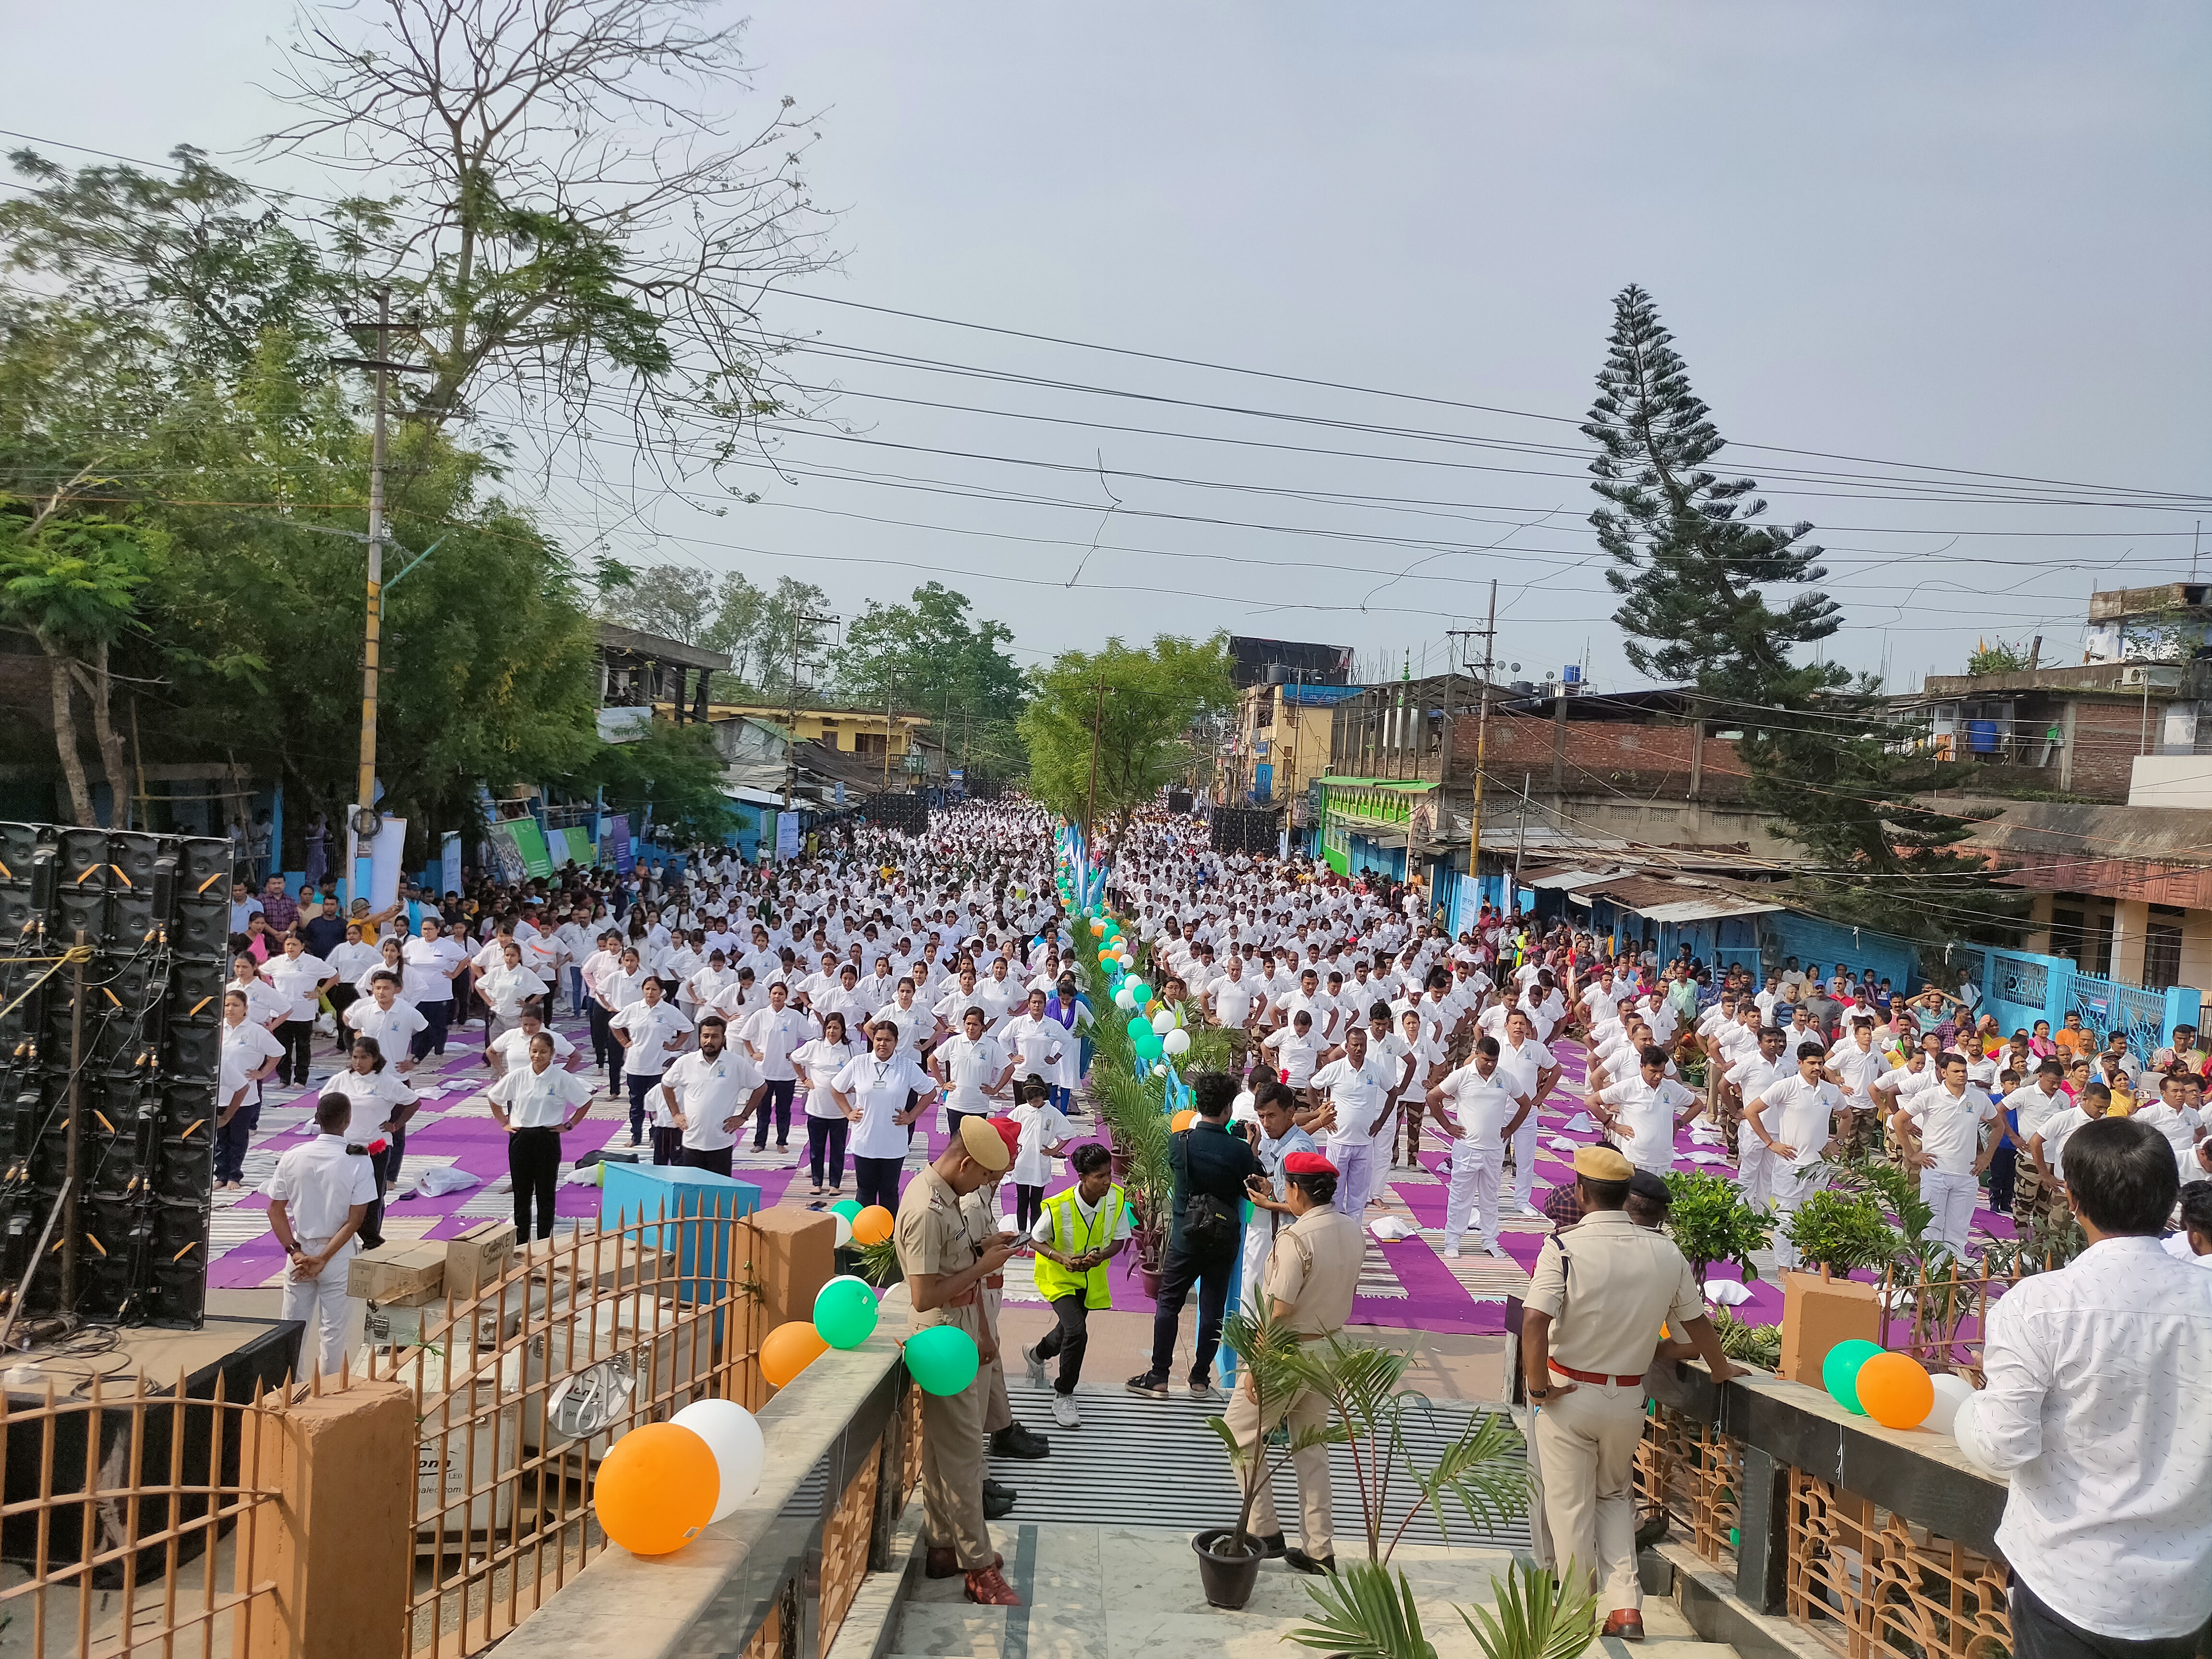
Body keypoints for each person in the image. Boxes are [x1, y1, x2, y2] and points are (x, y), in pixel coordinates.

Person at [1977, 1118, 2212, 1659]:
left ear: (2075, 1201)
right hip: (2184, 1589)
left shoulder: (2040, 1304)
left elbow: (2003, 1445)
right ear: (2169, 1201)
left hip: (2069, 1577)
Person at [1522, 1145, 1744, 1640]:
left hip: (1568, 1390)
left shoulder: (1563, 1247)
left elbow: (1535, 1320)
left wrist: (1539, 1387)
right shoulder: (1665, 1252)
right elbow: (1696, 1327)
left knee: (1570, 1506)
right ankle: (1626, 1607)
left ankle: (1577, 1611)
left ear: (1582, 1193)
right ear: (1625, 1197)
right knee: (1616, 1496)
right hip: (1626, 1397)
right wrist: (1721, 1368)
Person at [894, 1117, 1023, 1607]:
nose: (985, 1187)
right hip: (942, 1334)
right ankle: (978, 1566)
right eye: (985, 1177)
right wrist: (980, 1267)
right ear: (966, 1163)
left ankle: (944, 1545)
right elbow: (924, 1294)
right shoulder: (927, 1208)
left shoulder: (944, 1195)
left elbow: (947, 1261)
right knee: (967, 1457)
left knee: (943, 1452)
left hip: (957, 1333)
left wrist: (979, 1249)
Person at [1218, 1149, 1365, 1575]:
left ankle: (1265, 1529)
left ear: (1296, 1190)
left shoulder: (1297, 1238)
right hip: (1329, 1349)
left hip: (1287, 1350)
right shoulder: (1352, 1229)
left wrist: (1257, 1364)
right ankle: (1320, 1549)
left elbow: (1279, 1310)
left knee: (1239, 1434)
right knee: (1311, 1447)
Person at [1127, 1070, 1262, 1402]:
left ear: (1198, 1105)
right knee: (1214, 1307)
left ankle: (1159, 1375)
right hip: (1224, 1238)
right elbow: (1254, 1187)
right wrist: (1250, 1148)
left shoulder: (1179, 1142)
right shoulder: (1239, 1151)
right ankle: (1200, 1378)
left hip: (1186, 1237)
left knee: (1169, 1303)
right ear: (1229, 1108)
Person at [266, 1093, 378, 1379]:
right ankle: (329, 1397)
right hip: (336, 1253)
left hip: (300, 1252)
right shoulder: (358, 1159)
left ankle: (291, 1392)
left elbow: (275, 1210)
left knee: (291, 1331)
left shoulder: (293, 1156)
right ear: (348, 1120)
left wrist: (296, 1252)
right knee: (334, 1334)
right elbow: (356, 1219)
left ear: (317, 1119)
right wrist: (323, 1258)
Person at [1022, 1142, 1130, 1428]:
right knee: (1077, 1332)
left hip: (1090, 1277)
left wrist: (1101, 1257)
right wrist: (1061, 1258)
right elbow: (1034, 1239)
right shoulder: (1058, 1207)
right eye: (1100, 1177)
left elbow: (1119, 1240)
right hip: (1059, 1276)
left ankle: (1036, 1354)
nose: (1108, 1181)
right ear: (1082, 1177)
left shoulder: (1116, 1199)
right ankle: (1064, 1394)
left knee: (1067, 1332)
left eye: (1109, 1174)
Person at [1425, 1035, 1536, 1259]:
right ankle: (1452, 1241)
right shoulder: (1462, 1076)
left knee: (1491, 1196)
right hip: (1467, 1148)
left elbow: (1525, 1103)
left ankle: (1490, 1240)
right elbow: (1432, 1097)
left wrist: (1511, 1129)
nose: (1490, 1065)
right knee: (1460, 1196)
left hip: (1494, 1149)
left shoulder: (1505, 1078)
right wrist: (1448, 1126)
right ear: (1477, 1054)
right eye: (1486, 1060)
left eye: (1494, 1060)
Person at [485, 1030, 596, 1239]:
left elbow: (585, 1101)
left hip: (548, 1137)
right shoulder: (517, 1076)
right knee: (522, 1192)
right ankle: (521, 1240)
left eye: (543, 1052)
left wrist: (570, 1125)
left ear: (553, 1053)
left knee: (546, 1192)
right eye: (534, 1051)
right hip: (521, 1137)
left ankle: (544, 1240)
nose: (538, 1056)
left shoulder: (562, 1077)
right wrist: (503, 1123)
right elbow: (494, 1098)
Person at [1889, 1053, 1998, 1258]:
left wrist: (1988, 1157)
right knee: (1932, 1228)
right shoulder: (1929, 1096)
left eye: (1964, 1071)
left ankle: (1953, 1271)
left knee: (1959, 1231)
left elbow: (1998, 1125)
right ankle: (1932, 1271)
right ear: (1943, 1072)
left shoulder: (1978, 1097)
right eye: (1956, 1071)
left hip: (1967, 1175)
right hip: (1936, 1172)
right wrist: (1912, 1154)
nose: (1962, 1075)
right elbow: (1898, 1121)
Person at [833, 1020, 940, 1212]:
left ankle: (889, 1237)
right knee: (865, 1191)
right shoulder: (859, 1063)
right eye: (879, 1039)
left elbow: (930, 1092)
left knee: (889, 1191)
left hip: (893, 1142)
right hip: (865, 1139)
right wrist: (848, 1112)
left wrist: (911, 1116)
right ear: (873, 1040)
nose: (883, 1044)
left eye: (888, 1040)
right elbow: (836, 1088)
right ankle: (863, 1235)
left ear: (896, 1042)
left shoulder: (907, 1066)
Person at [608, 976, 690, 1147]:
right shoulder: (634, 1009)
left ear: (661, 992)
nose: (650, 993)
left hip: (659, 1066)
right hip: (636, 1064)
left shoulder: (669, 1011)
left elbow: (688, 1028)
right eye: (647, 989)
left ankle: (655, 1136)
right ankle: (636, 1136)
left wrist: (675, 1046)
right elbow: (614, 1024)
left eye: (654, 990)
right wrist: (624, 1042)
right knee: (636, 1104)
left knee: (658, 1104)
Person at [216, 988, 284, 1192]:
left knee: (238, 1136)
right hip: (219, 1093)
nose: (230, 1009)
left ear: (246, 1009)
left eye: (236, 1005)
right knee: (221, 1136)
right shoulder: (218, 1029)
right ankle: (221, 1174)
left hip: (244, 1094)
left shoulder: (254, 1031)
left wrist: (262, 1073)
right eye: (227, 1005)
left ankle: (234, 1175)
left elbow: (278, 1052)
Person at [738, 980, 811, 1155]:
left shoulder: (795, 1017)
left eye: (781, 994)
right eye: (774, 994)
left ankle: (781, 1142)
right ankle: (760, 1142)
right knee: (763, 1110)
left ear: (787, 997)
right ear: (769, 995)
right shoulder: (760, 1015)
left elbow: (811, 1037)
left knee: (783, 1111)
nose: (777, 997)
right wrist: (753, 1054)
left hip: (786, 1072)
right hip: (764, 1071)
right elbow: (745, 1036)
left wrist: (796, 1054)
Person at [793, 1012, 859, 1197]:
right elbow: (795, 1059)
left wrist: (854, 1088)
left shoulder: (852, 1049)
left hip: (840, 1111)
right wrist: (804, 1079)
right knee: (816, 1149)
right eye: (829, 1027)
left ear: (843, 1030)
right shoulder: (814, 1046)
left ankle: (835, 1184)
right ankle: (817, 1183)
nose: (832, 1031)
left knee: (838, 1149)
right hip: (817, 1108)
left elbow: (864, 1066)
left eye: (836, 1028)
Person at [263, 932, 336, 1089]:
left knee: (303, 1046)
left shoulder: (313, 962)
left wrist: (320, 992)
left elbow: (335, 976)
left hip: (304, 1012)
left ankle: (301, 1079)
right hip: (281, 1013)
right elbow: (260, 972)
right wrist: (269, 991)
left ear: (303, 946)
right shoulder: (277, 962)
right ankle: (284, 1078)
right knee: (283, 1046)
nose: (290, 948)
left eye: (294, 945)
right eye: (288, 944)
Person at [1007, 1077, 1073, 1234]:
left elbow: (1068, 1134)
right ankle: (1022, 1234)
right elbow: (1007, 1127)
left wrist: (1055, 1150)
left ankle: (1035, 1235)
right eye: (1030, 1101)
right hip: (1023, 1162)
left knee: (1036, 1202)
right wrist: (1013, 1147)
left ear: (1043, 1096)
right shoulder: (1021, 1110)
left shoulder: (1053, 1113)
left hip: (1041, 1163)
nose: (1033, 1104)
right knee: (1022, 1202)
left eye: (1036, 1101)